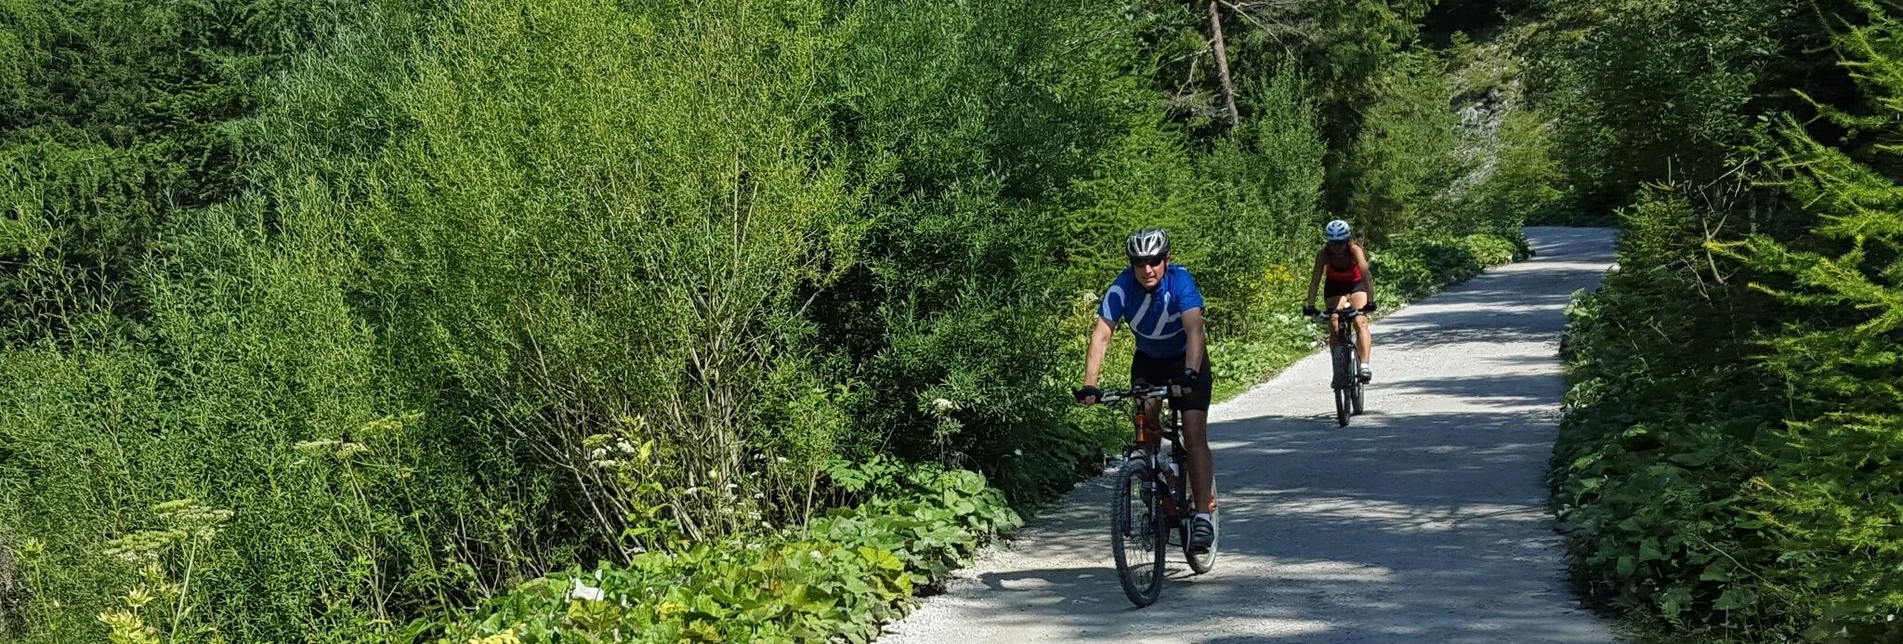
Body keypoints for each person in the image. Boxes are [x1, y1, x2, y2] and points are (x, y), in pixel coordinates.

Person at [1074, 227, 1216, 552]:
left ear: (1166, 260)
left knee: (1194, 435)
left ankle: (1204, 515)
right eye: (1140, 263)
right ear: (1132, 265)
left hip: (1186, 361)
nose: (1147, 269)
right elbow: (1101, 335)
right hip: (1148, 362)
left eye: (1154, 261)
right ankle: (1157, 485)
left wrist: (1191, 373)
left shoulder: (1180, 281)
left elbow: (1195, 329)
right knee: (1146, 427)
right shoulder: (1122, 288)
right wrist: (1090, 384)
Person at [1303, 219, 1378, 382]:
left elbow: (1366, 276)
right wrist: (1310, 305)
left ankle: (1364, 366)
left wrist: (1370, 301)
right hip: (1334, 286)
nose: (1337, 248)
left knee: (1360, 321)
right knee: (1334, 322)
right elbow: (1315, 280)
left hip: (1356, 284)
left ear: (1347, 240)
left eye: (1340, 243)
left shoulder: (1355, 250)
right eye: (1333, 243)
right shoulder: (1323, 254)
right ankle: (1338, 368)